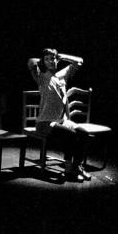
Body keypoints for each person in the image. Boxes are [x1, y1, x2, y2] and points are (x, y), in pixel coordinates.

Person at [26, 48, 90, 182]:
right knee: (70, 135)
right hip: (45, 123)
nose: (52, 61)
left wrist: (61, 56)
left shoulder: (62, 75)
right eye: (48, 59)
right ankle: (68, 171)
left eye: (53, 58)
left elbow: (79, 61)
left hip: (61, 120)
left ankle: (77, 167)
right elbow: (31, 62)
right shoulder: (41, 77)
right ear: (43, 62)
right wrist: (45, 60)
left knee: (83, 133)